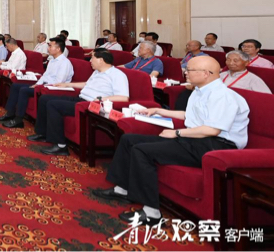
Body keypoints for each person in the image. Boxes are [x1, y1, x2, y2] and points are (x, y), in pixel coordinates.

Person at [93, 56, 249, 225]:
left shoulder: (222, 96)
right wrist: (158, 111)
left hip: (215, 146)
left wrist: (177, 133)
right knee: (129, 139)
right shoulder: (200, 91)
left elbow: (212, 130)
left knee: (142, 150)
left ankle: (151, 212)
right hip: (196, 138)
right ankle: (122, 189)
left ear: (206, 73)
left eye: (189, 70)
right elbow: (189, 116)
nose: (185, 73)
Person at [30, 49, 129, 155]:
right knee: (44, 99)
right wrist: (67, 85)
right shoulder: (97, 72)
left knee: (53, 105)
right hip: (80, 98)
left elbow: (124, 98)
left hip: (89, 105)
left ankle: (61, 146)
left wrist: (101, 99)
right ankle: (43, 133)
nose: (90, 60)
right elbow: (86, 84)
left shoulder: (118, 75)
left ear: (101, 60)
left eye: (92, 58)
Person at [0, 37, 74, 129]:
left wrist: (40, 86)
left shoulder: (65, 63)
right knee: (15, 86)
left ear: (58, 49)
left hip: (52, 89)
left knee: (24, 90)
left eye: (50, 46)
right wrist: (37, 84)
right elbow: (45, 75)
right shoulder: (52, 61)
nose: (48, 48)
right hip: (43, 85)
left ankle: (18, 120)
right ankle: (10, 113)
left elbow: (58, 82)